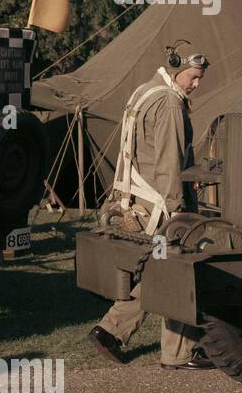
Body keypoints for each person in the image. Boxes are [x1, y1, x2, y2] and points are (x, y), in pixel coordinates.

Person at [88, 49, 215, 369]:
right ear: (176, 70)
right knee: (179, 273)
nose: (197, 85)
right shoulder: (170, 103)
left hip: (139, 197)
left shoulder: (145, 90)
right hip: (162, 202)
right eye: (193, 77)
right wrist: (177, 210)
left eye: (200, 79)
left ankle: (110, 330)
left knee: (155, 270)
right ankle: (179, 353)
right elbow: (169, 161)